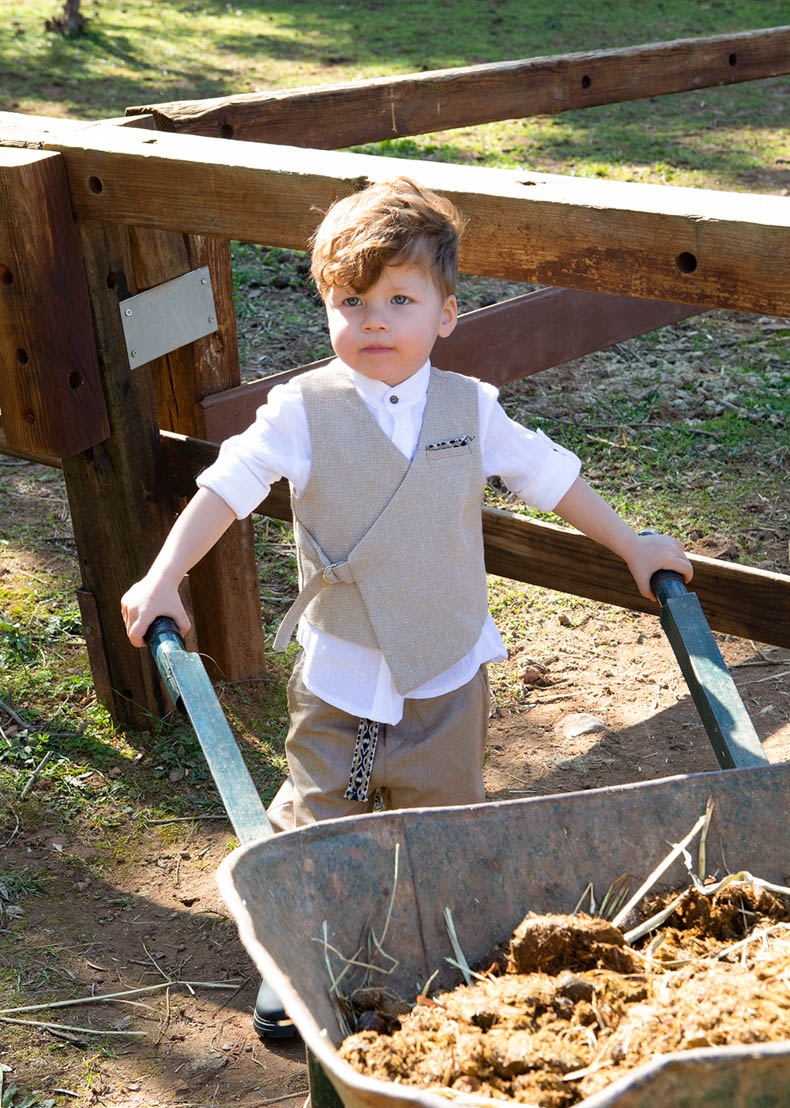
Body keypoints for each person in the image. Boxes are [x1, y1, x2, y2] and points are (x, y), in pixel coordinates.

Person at [122, 176, 692, 1033]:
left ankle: (439, 944)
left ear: (446, 314)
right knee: (329, 813)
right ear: (326, 311)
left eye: (399, 299)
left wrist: (635, 546)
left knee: (444, 819)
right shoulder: (301, 412)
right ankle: (304, 943)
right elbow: (225, 486)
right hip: (345, 684)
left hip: (445, 675)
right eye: (351, 301)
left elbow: (552, 476)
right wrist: (164, 576)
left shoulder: (471, 409)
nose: (375, 321)